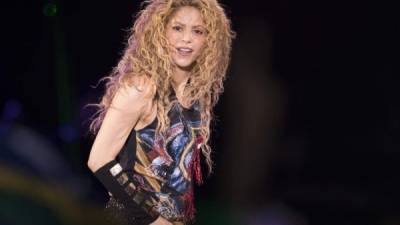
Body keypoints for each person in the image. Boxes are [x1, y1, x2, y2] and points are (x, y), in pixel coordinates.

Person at [87, 0, 234, 224]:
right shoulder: (140, 88)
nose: (186, 38)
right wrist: (154, 219)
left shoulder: (198, 98)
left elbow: (180, 176)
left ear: (209, 40)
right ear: (160, 31)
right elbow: (99, 159)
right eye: (177, 28)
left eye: (198, 31)